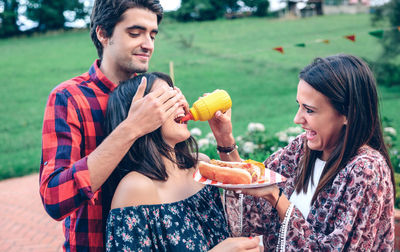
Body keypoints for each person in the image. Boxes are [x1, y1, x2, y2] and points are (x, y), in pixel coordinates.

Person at [207, 54, 396, 251]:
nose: (298, 119)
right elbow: (252, 203)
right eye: (299, 106)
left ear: (347, 114)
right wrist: (225, 139)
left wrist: (276, 198)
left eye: (310, 110)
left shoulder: (366, 170)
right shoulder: (301, 149)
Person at [39, 1, 187, 251]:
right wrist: (131, 129)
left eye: (152, 35)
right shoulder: (69, 97)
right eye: (135, 33)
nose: (148, 44)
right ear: (103, 33)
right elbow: (55, 198)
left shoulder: (155, 92)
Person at [103, 72, 262, 251]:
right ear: (138, 117)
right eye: (167, 99)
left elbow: (249, 214)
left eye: (177, 94)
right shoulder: (135, 188)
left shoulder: (200, 166)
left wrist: (224, 138)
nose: (181, 102)